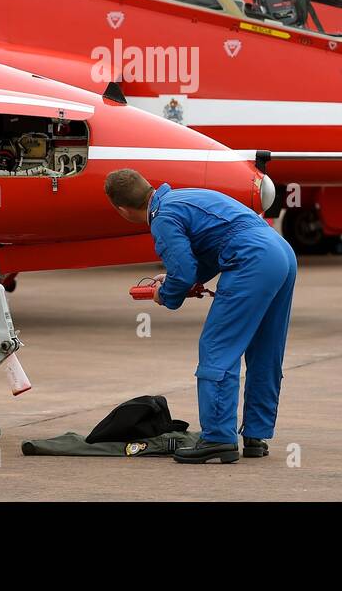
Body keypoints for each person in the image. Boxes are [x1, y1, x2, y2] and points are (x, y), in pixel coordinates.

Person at [104, 168, 297, 464]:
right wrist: (177, 280)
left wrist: (166, 294)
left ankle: (218, 438)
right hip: (280, 251)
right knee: (265, 350)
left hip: (252, 259)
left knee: (218, 348)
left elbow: (184, 272)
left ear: (121, 210)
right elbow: (208, 252)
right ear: (149, 186)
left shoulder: (163, 218)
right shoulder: (183, 197)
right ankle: (256, 435)